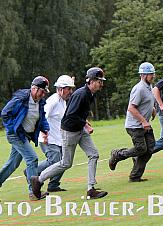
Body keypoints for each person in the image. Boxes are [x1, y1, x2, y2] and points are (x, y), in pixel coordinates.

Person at [31, 67, 108, 200]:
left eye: (101, 81)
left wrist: (84, 123)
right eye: (98, 81)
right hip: (70, 131)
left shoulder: (90, 94)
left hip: (79, 130)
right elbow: (71, 115)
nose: (101, 84)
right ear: (90, 81)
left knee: (93, 154)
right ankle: (38, 179)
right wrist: (85, 125)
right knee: (66, 163)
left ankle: (91, 189)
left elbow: (77, 114)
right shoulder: (81, 95)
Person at [0, 76, 51, 202]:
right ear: (34, 88)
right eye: (42, 91)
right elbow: (5, 113)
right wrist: (13, 129)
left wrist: (45, 129)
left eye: (44, 92)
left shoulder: (40, 102)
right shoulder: (21, 99)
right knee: (32, 158)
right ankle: (34, 192)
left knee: (13, 163)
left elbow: (41, 117)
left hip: (25, 135)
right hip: (16, 135)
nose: (43, 94)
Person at [109, 62, 157, 182]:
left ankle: (135, 176)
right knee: (141, 149)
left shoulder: (148, 86)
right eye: (151, 74)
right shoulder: (139, 88)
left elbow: (145, 102)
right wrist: (143, 121)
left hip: (144, 124)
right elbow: (131, 108)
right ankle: (118, 154)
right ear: (143, 75)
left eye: (153, 73)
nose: (153, 76)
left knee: (150, 148)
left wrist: (152, 109)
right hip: (135, 126)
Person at [35, 75, 76, 193]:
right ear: (61, 89)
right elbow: (42, 116)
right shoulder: (53, 100)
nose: (70, 92)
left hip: (59, 139)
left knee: (64, 161)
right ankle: (32, 171)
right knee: (55, 161)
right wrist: (44, 135)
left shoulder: (63, 101)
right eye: (69, 89)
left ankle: (53, 185)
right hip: (48, 139)